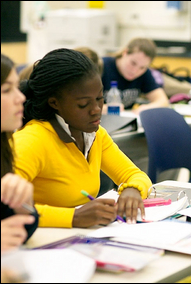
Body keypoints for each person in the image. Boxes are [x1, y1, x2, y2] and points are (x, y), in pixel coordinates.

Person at [13, 48, 153, 228]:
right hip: (37, 244)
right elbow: (7, 207)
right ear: (54, 102)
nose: (96, 109)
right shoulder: (32, 141)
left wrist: (133, 190)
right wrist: (74, 217)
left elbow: (133, 174)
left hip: (77, 239)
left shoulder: (94, 134)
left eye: (99, 98)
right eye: (83, 104)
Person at [1, 53, 39, 252]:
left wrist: (23, 205)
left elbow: (24, 228)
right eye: (7, 90)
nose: (21, 97)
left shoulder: (5, 148)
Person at [101, 37, 169, 114]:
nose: (135, 71)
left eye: (142, 67)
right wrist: (106, 109)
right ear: (125, 52)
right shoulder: (102, 66)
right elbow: (85, 105)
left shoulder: (145, 73)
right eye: (133, 63)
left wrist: (147, 108)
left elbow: (163, 101)